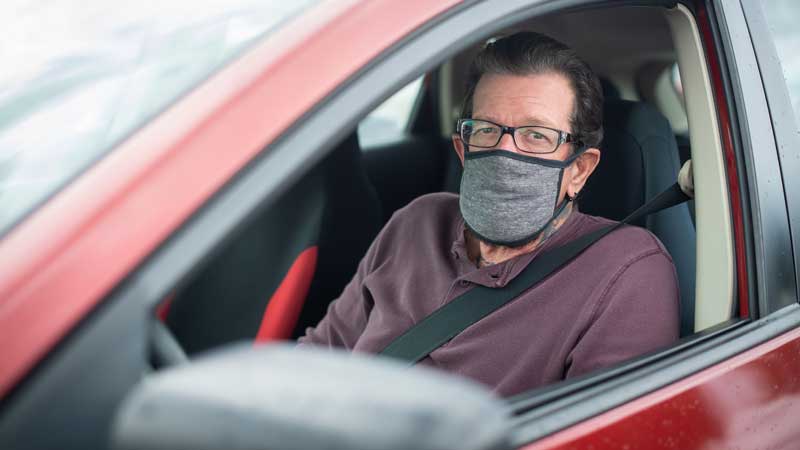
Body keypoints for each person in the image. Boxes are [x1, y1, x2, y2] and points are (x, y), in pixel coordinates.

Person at [299, 31, 679, 397]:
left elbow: (600, 427)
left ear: (579, 169)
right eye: (486, 130)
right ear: (463, 151)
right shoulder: (415, 223)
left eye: (536, 135)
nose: (505, 152)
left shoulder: (625, 269)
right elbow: (319, 358)